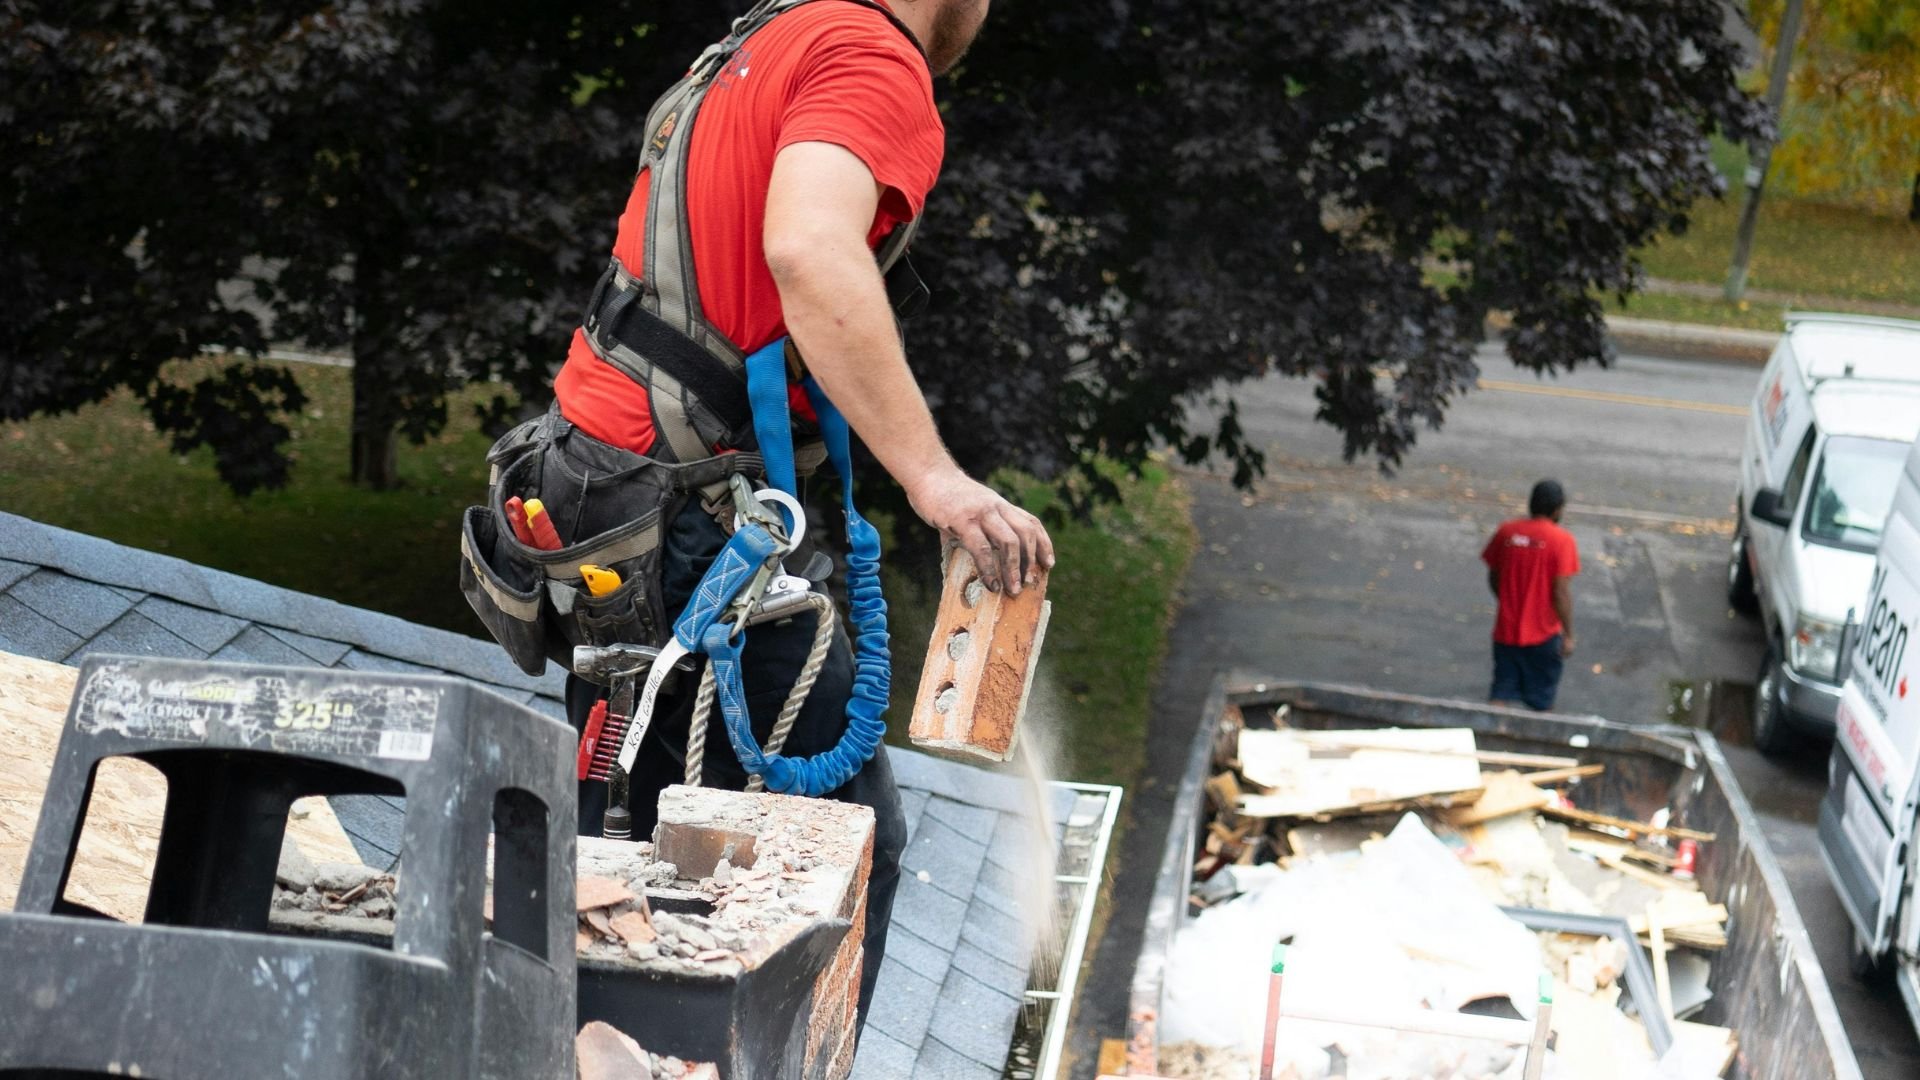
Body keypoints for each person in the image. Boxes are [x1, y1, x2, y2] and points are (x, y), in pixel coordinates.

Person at [547, 0, 1053, 1033]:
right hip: (685, 524)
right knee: (820, 861)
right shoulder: (873, 59)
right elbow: (811, 248)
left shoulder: (769, 34)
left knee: (630, 853)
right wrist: (934, 478)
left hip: (603, 492)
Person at [1482, 480, 1579, 711]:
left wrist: (1507, 599)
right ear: (1557, 510)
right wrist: (1568, 634)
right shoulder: (1562, 541)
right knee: (1542, 702)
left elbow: (1493, 576)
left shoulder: (1507, 532)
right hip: (1544, 636)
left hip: (1506, 632)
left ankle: (1488, 738)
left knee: (1501, 692)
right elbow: (1560, 593)